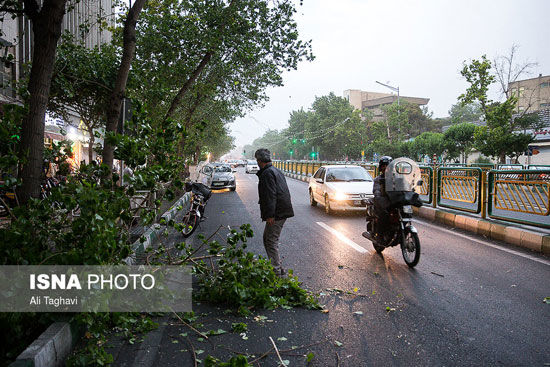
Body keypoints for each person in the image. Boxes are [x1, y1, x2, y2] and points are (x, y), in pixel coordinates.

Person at [254, 148, 294, 276]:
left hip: (277, 213)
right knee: (268, 239)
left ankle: (275, 270)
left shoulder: (267, 173)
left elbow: (270, 195)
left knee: (270, 240)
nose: (257, 163)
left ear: (260, 161)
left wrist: (270, 215)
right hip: (282, 210)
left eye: (257, 160)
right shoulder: (275, 170)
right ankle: (277, 266)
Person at [372, 156, 393, 241]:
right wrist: (378, 195)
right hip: (383, 202)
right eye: (383, 166)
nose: (385, 168)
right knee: (384, 214)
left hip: (394, 201)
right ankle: (379, 236)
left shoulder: (397, 178)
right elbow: (376, 190)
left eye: (387, 165)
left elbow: (405, 186)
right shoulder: (378, 179)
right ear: (381, 167)